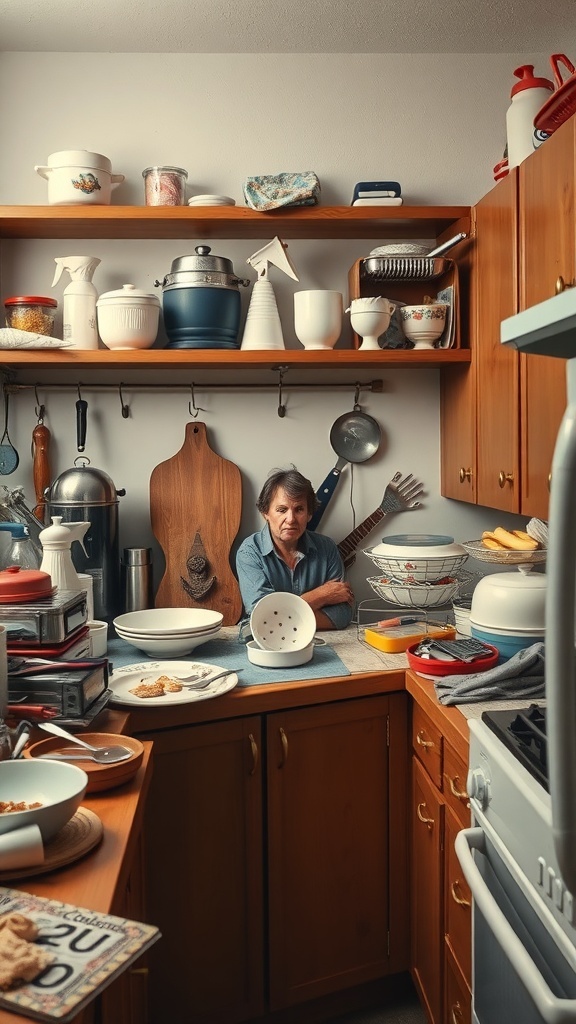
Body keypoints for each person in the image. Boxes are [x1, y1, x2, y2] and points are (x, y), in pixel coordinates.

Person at [236, 467, 354, 630]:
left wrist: (280, 616)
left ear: (309, 514)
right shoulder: (250, 552)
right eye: (282, 510)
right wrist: (321, 595)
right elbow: (261, 615)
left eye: (299, 509)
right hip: (267, 647)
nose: (290, 519)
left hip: (323, 644)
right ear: (265, 513)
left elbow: (342, 615)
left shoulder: (327, 548)